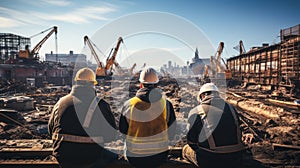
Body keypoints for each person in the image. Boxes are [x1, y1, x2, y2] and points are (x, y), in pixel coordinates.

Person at [48, 67, 117, 168]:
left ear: (76, 82)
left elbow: (50, 130)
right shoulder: (101, 105)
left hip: (63, 157)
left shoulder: (60, 103)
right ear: (93, 84)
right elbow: (111, 135)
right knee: (113, 155)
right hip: (90, 158)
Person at [119, 67, 177, 168]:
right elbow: (172, 133)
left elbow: (123, 131)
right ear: (156, 85)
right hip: (159, 157)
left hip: (135, 158)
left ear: (141, 85)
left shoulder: (129, 105)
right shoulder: (166, 105)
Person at [182, 83, 245, 168]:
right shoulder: (231, 108)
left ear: (202, 96)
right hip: (236, 158)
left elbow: (191, 142)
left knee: (185, 149)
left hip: (212, 160)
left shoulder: (196, 111)